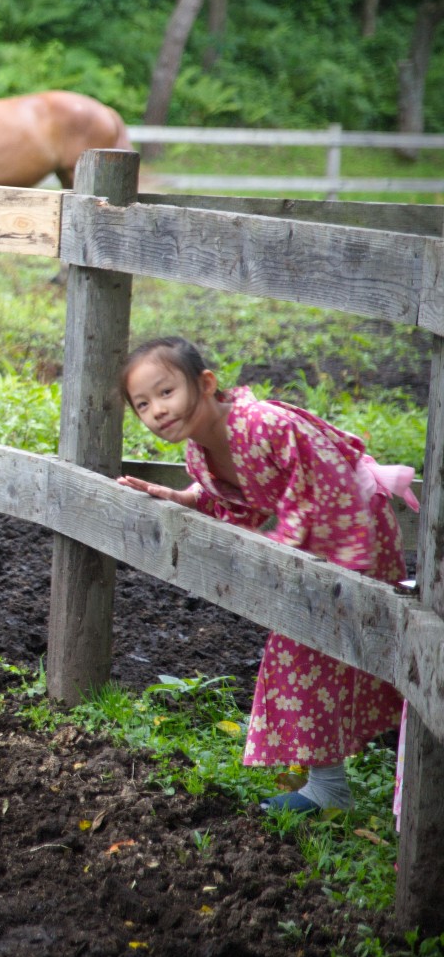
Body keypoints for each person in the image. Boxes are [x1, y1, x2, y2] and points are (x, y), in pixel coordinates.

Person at [115, 337, 417, 815]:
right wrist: (188, 499)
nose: (157, 410)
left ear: (207, 383)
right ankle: (329, 781)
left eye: (166, 392)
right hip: (316, 541)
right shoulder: (199, 454)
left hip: (352, 526)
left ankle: (346, 781)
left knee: (326, 645)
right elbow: (241, 498)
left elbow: (327, 473)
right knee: (312, 647)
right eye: (143, 404)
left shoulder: (264, 423)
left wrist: (288, 550)